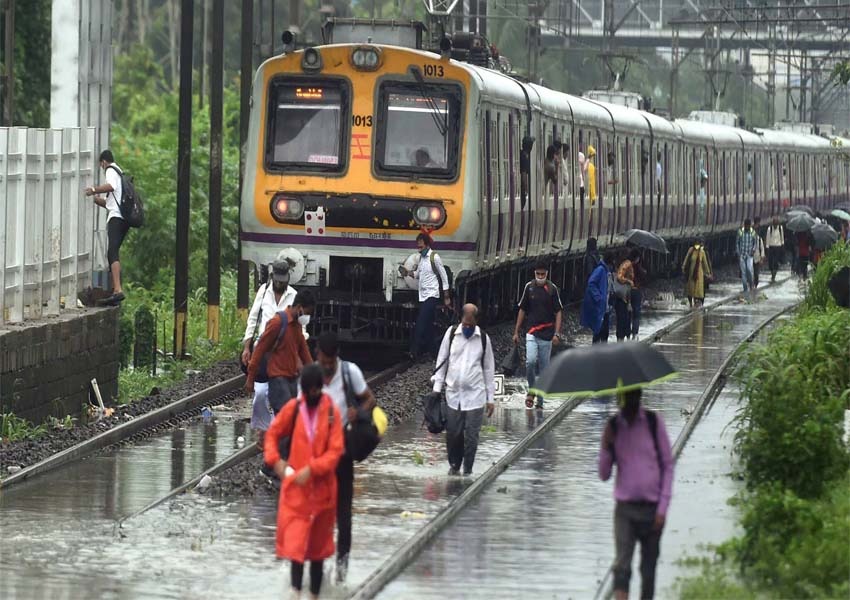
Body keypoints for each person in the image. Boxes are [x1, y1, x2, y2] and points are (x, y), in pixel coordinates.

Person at [264, 364, 344, 600]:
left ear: (321, 389)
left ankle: (315, 595)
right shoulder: (294, 409)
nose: (311, 396)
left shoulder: (331, 413)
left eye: (315, 391)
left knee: (318, 551)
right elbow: (272, 434)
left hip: (323, 493)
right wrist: (275, 461)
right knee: (296, 546)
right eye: (307, 391)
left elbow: (335, 450)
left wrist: (313, 469)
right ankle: (296, 593)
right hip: (297, 492)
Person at [312, 332, 376, 583]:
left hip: (341, 453)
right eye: (324, 362)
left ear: (336, 357)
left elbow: (370, 399)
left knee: (344, 512)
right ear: (318, 354)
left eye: (331, 363)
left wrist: (357, 411)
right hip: (317, 455)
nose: (327, 368)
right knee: (317, 510)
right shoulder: (310, 375)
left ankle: (342, 567)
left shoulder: (351, 372)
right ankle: (317, 562)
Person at [599, 389, 674, 600]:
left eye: (632, 398)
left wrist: (662, 508)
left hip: (652, 510)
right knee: (622, 568)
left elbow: (667, 466)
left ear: (639, 397)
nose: (628, 404)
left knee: (648, 571)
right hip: (625, 511)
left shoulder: (653, 423)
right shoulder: (613, 427)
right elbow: (604, 474)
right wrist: (606, 446)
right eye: (624, 399)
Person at [432, 304, 495, 476]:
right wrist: (437, 389)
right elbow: (442, 360)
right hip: (453, 394)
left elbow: (489, 369)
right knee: (453, 433)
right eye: (464, 324)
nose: (467, 328)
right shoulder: (452, 334)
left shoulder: (483, 338)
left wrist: (491, 399)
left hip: (475, 396)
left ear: (476, 321)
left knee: (472, 436)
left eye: (470, 325)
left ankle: (467, 470)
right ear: (461, 320)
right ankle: (454, 465)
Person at [242, 261, 299, 441]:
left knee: (279, 393)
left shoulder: (293, 296)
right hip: (262, 348)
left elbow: (300, 329)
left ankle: (275, 430)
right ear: (273, 276)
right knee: (259, 394)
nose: (280, 284)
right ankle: (262, 426)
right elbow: (253, 319)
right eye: (278, 280)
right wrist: (247, 346)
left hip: (283, 352)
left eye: (283, 280)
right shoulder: (263, 291)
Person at [245, 290, 315, 416]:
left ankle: (274, 434)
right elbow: (259, 350)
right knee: (287, 416)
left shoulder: (297, 326)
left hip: (292, 379)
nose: (307, 317)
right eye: (307, 313)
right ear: (299, 308)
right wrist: (250, 378)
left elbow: (304, 351)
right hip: (277, 379)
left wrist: (316, 375)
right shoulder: (277, 323)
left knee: (291, 419)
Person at [513, 262, 563, 409]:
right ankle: (532, 391)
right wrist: (516, 331)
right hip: (532, 332)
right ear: (534, 274)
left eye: (543, 274)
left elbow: (558, 311)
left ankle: (540, 401)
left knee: (544, 368)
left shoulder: (552, 289)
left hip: (547, 335)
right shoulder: (529, 288)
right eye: (538, 274)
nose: (540, 277)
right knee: (530, 362)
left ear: (547, 274)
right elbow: (522, 309)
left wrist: (557, 334)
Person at [85, 149, 128, 306]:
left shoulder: (110, 169)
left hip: (116, 218)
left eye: (101, 165)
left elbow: (110, 186)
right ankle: (115, 289)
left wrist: (94, 190)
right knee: (113, 252)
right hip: (122, 217)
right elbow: (111, 202)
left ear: (103, 162)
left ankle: (117, 290)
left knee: (112, 252)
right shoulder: (119, 172)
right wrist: (97, 200)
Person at [399, 233, 451, 359]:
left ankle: (413, 351)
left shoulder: (435, 258)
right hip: (423, 296)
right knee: (428, 327)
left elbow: (444, 277)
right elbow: (417, 275)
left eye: (421, 245)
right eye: (418, 245)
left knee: (421, 322)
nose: (419, 247)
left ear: (427, 245)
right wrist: (407, 272)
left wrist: (446, 296)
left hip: (432, 295)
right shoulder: (422, 259)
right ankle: (436, 353)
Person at [581, 251, 615, 343]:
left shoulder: (607, 271)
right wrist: (598, 297)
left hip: (606, 306)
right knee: (598, 331)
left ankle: (602, 353)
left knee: (605, 332)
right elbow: (591, 283)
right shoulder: (601, 270)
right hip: (601, 306)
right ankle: (596, 353)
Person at [682, 240, 712, 307]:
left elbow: (705, 264)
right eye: (696, 244)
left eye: (698, 244)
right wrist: (683, 267)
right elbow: (686, 259)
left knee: (697, 289)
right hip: (691, 272)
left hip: (699, 274)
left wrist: (708, 273)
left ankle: (696, 301)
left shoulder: (702, 252)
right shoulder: (691, 250)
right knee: (690, 289)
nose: (697, 246)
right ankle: (690, 302)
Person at [614, 252, 636, 342]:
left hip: (623, 296)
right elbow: (619, 277)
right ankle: (621, 338)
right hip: (623, 297)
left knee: (623, 318)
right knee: (624, 318)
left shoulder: (624, 263)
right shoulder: (627, 264)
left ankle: (622, 337)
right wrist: (628, 281)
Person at [629, 250, 646, 339]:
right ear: (637, 258)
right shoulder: (637, 267)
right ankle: (634, 333)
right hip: (636, 291)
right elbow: (644, 275)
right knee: (636, 313)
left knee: (627, 312)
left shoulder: (626, 266)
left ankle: (626, 332)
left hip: (627, 291)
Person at [736, 218, 757, 296]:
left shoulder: (752, 232)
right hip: (742, 254)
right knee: (743, 272)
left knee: (749, 269)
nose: (747, 227)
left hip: (749, 255)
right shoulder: (740, 232)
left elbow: (755, 243)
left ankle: (751, 284)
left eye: (748, 226)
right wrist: (738, 252)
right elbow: (737, 243)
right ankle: (745, 288)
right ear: (744, 225)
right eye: (746, 226)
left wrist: (753, 250)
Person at [765, 217, 785, 282]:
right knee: (770, 262)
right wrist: (767, 247)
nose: (776, 226)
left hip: (778, 246)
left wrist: (782, 245)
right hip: (771, 246)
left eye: (776, 224)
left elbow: (782, 237)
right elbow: (767, 238)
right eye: (774, 224)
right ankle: (772, 272)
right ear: (773, 224)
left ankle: (774, 274)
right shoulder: (769, 229)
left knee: (776, 261)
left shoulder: (780, 228)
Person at [751, 217, 766, 289]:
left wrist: (762, 258)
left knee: (756, 273)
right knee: (750, 272)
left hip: (757, 257)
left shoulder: (759, 239)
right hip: (750, 258)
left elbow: (762, 248)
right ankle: (751, 285)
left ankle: (755, 284)